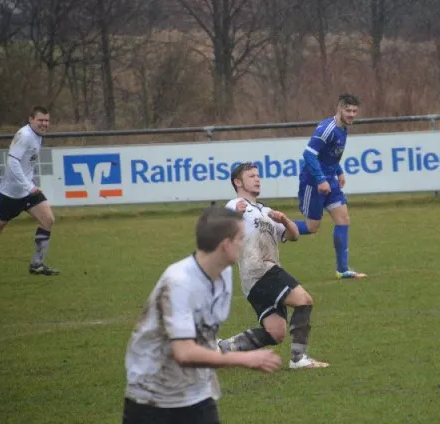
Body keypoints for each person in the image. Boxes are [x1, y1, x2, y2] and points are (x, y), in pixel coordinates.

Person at [122, 206, 282, 424]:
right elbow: (184, 352)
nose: (244, 243)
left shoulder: (224, 273)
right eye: (241, 238)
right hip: (153, 399)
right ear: (225, 245)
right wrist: (244, 358)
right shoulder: (179, 282)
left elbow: (205, 336)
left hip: (198, 393)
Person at [217, 162, 329, 369]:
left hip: (254, 280)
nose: (257, 179)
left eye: (258, 175)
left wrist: (284, 221)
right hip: (261, 269)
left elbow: (294, 235)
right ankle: (298, 359)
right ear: (238, 182)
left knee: (276, 333)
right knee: (304, 300)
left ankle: (224, 347)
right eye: (251, 176)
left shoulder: (265, 210)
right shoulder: (234, 205)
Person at [293, 93, 367, 280]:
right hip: (313, 181)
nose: (352, 115)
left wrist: (339, 171)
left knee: (343, 219)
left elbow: (329, 155)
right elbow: (309, 154)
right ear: (339, 109)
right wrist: (320, 179)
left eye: (354, 111)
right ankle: (273, 225)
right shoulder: (328, 128)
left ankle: (342, 270)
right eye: (348, 110)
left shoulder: (344, 128)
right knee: (312, 227)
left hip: (330, 180)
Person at [0, 106, 59, 275]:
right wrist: (28, 186)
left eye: (47, 121)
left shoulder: (37, 135)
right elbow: (13, 162)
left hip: (28, 191)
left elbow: (26, 163)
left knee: (48, 219)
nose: (44, 124)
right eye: (40, 120)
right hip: (12, 194)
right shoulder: (25, 135)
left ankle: (37, 264)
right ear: (31, 119)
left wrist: (30, 183)